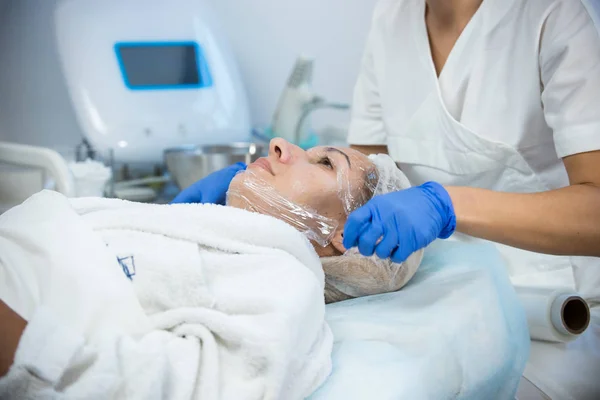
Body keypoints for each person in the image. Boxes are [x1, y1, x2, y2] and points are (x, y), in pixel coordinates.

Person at [0, 139, 422, 397]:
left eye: (325, 164)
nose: (278, 144)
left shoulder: (283, 280)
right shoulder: (217, 240)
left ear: (348, 236)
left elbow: (177, 388)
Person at [339, 0, 600, 398]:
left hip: (557, 317)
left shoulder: (556, 14)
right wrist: (263, 194)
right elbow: (360, 181)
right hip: (444, 301)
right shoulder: (391, 17)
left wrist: (447, 205)